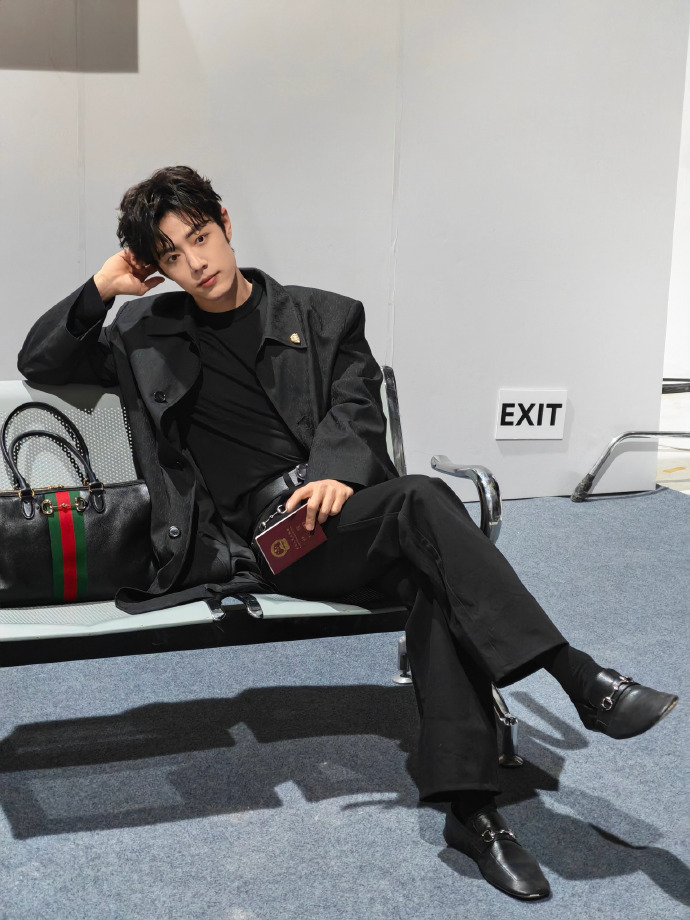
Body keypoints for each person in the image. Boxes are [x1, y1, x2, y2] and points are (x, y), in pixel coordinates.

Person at [17, 166, 678, 901]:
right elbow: (39, 361)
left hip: (347, 520)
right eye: (171, 255)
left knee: (436, 584)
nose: (195, 263)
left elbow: (358, 405)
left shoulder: (324, 316)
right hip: (270, 544)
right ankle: (576, 674)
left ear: (225, 222)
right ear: (158, 267)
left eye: (199, 237)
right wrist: (103, 287)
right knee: (423, 500)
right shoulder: (147, 333)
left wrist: (335, 472)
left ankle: (473, 813)